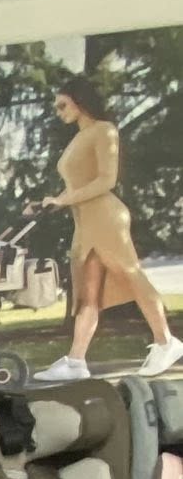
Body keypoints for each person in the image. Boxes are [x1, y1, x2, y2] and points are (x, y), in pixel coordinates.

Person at [30, 76, 183, 384]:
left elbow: (106, 180)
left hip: (106, 218)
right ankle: (76, 361)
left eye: (63, 105)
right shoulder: (79, 137)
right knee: (87, 295)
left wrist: (63, 200)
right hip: (85, 223)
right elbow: (77, 185)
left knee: (131, 274)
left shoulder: (104, 130)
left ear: (79, 101)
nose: (59, 112)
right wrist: (49, 203)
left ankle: (166, 342)